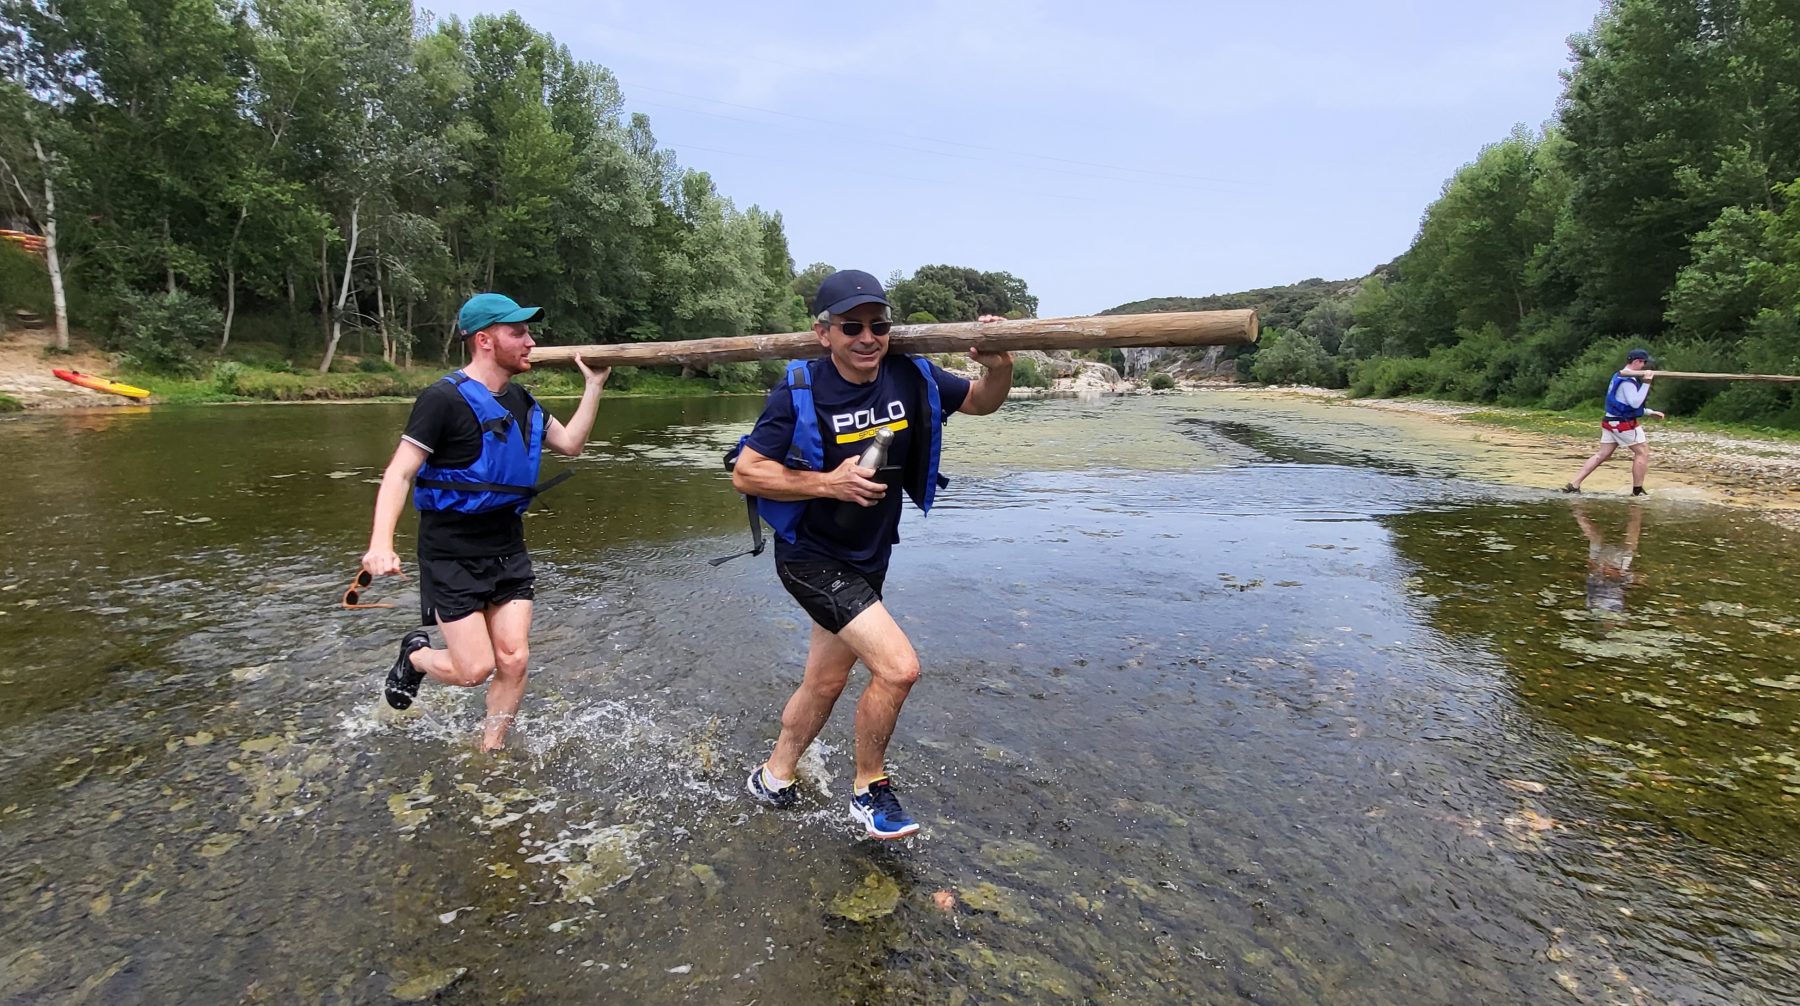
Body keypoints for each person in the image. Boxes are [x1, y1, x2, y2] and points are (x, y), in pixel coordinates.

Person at [731, 269, 1013, 839]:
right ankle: (869, 790)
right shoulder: (800, 388)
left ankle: (773, 776)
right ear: (823, 333)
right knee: (899, 668)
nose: (867, 337)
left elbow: (983, 401)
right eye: (851, 326)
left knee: (825, 682)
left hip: (869, 553)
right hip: (810, 556)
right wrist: (825, 484)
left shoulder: (911, 375)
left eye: (878, 325)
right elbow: (746, 473)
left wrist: (1000, 365)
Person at [362, 292, 608, 751]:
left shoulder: (522, 401)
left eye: (529, 332)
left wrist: (592, 387)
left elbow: (571, 443)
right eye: (518, 332)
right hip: (451, 551)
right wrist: (381, 543)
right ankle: (416, 657)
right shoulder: (442, 400)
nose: (530, 341)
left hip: (507, 546)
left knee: (514, 659)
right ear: (485, 340)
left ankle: (489, 749)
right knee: (474, 669)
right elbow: (399, 473)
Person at [1562, 348, 1665, 496]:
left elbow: (1623, 404)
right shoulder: (1627, 380)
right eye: (1644, 362)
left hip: (1611, 421)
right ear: (1637, 361)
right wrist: (1647, 382)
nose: (1645, 366)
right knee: (1642, 452)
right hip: (1623, 424)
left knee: (1602, 455)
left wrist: (1649, 412)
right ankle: (1637, 491)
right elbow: (1635, 403)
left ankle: (1574, 484)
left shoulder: (1618, 375)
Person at [1573, 502, 1643, 614]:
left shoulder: (1592, 607)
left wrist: (1598, 567)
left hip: (1599, 565)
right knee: (1632, 538)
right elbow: (1628, 580)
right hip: (1618, 567)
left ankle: (1577, 509)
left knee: (1595, 536)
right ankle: (1636, 508)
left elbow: (1591, 574)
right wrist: (1616, 573)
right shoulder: (1615, 609)